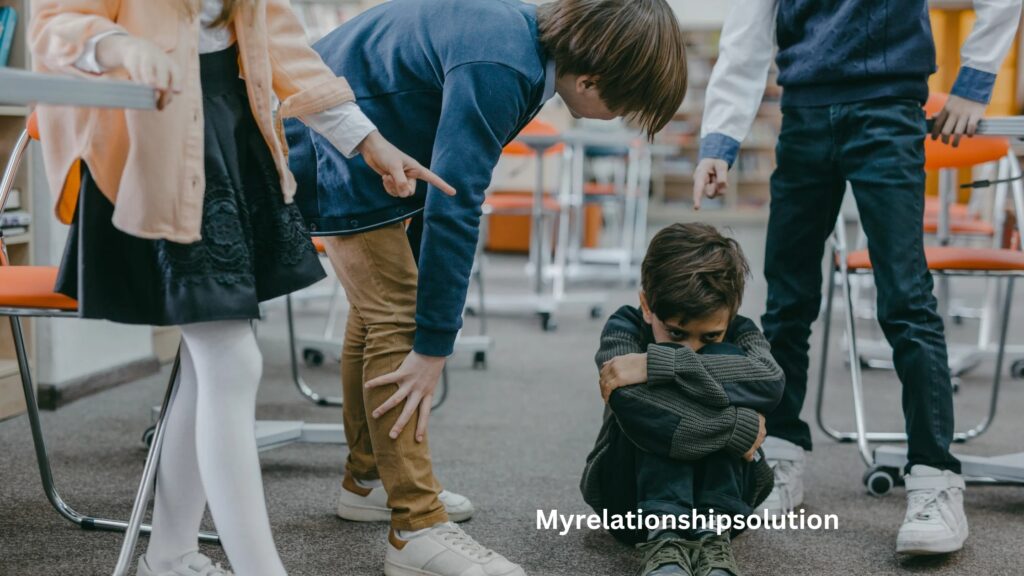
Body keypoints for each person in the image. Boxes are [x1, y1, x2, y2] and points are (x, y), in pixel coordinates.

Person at [29, 1, 449, 574]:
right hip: (154, 132)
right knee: (229, 362)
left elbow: (280, 45)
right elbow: (54, 25)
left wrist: (369, 143)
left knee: (210, 367)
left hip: (228, 125)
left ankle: (171, 554)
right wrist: (118, 47)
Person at [283, 0, 687, 574]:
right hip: (329, 141)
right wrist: (433, 344)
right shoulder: (505, 63)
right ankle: (415, 528)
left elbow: (440, 175)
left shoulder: (521, 47)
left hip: (358, 143)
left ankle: (369, 481)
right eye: (622, 105)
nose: (617, 117)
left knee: (379, 314)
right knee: (397, 318)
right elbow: (457, 201)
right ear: (592, 78)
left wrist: (429, 312)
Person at [692, 0, 1022, 556]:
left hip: (887, 110)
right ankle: (778, 456)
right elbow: (746, 32)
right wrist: (719, 141)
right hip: (804, 115)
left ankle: (935, 478)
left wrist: (974, 80)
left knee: (906, 300)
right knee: (787, 302)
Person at [582, 223, 783, 576]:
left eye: (708, 335)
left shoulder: (740, 331)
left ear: (732, 312)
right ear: (647, 305)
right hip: (631, 505)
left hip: (727, 504)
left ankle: (711, 532)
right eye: (675, 333)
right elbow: (632, 404)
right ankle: (665, 535)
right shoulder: (624, 326)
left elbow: (770, 380)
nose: (691, 346)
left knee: (727, 357)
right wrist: (739, 426)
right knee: (652, 407)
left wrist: (664, 361)